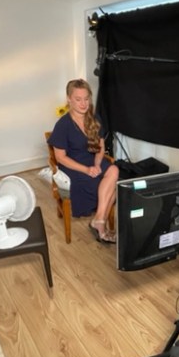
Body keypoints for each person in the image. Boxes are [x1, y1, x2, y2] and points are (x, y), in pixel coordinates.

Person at [48, 78, 119, 243]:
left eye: (86, 99)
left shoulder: (94, 118)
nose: (83, 103)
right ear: (69, 99)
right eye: (78, 99)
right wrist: (87, 170)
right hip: (73, 166)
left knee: (114, 170)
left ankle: (98, 220)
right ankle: (100, 225)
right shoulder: (63, 125)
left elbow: (101, 147)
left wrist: (96, 164)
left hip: (92, 160)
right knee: (109, 188)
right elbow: (60, 158)